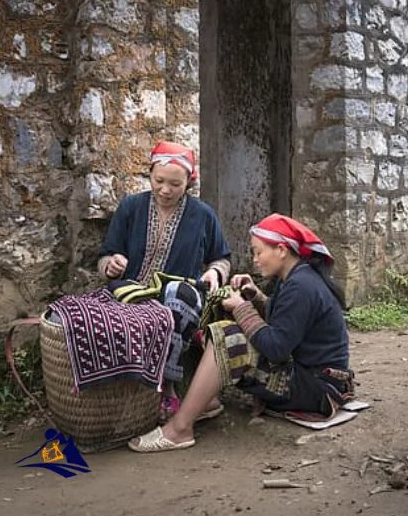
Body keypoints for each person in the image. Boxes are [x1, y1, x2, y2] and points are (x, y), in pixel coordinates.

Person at [128, 213, 353, 453]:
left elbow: (277, 348)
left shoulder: (301, 286)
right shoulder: (295, 278)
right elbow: (288, 322)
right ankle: (205, 402)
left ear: (281, 250)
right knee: (217, 327)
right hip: (310, 378)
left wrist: (242, 307)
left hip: (318, 388)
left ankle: (180, 429)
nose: (255, 260)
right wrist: (255, 297)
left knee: (229, 337)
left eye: (259, 252)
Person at [99, 140, 231, 420]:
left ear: (189, 183)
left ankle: (166, 386)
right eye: (159, 181)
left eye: (175, 184)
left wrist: (214, 273)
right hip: (132, 289)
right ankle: (114, 393)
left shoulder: (203, 215)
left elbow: (222, 258)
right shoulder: (131, 207)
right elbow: (106, 255)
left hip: (182, 294)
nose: (165, 190)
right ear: (150, 175)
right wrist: (111, 265)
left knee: (177, 295)